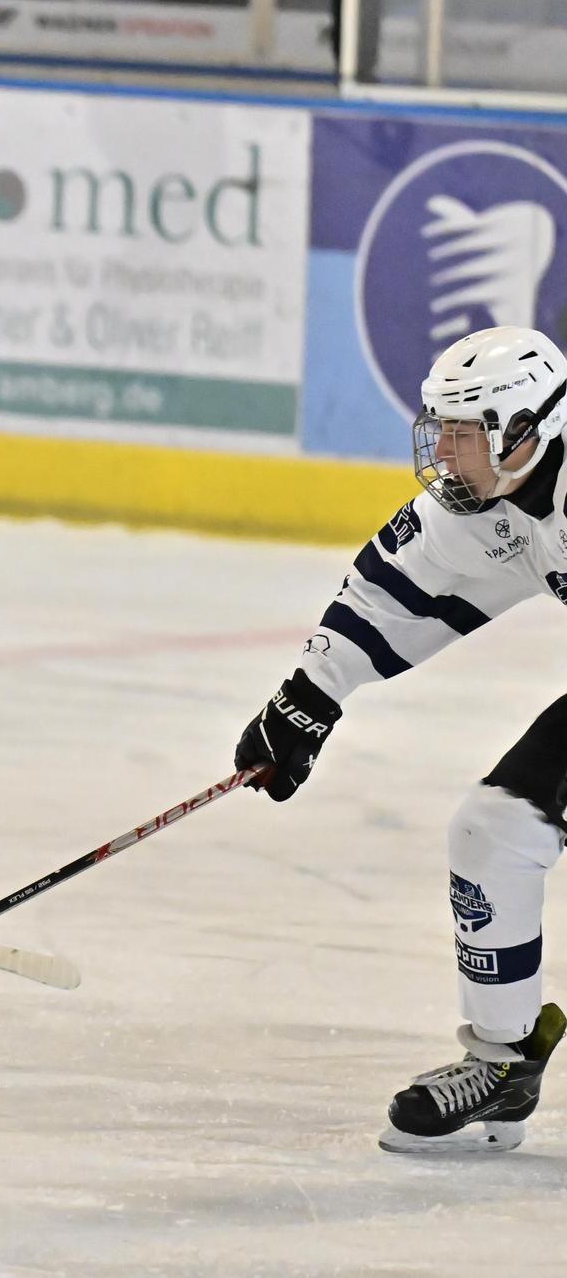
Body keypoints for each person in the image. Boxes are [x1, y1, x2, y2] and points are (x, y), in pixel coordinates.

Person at [235, 324, 567, 1153]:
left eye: (464, 434)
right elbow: (393, 593)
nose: (445, 454)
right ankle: (502, 1065)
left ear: (526, 430)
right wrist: (307, 697)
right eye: (443, 432)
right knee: (494, 830)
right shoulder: (494, 502)